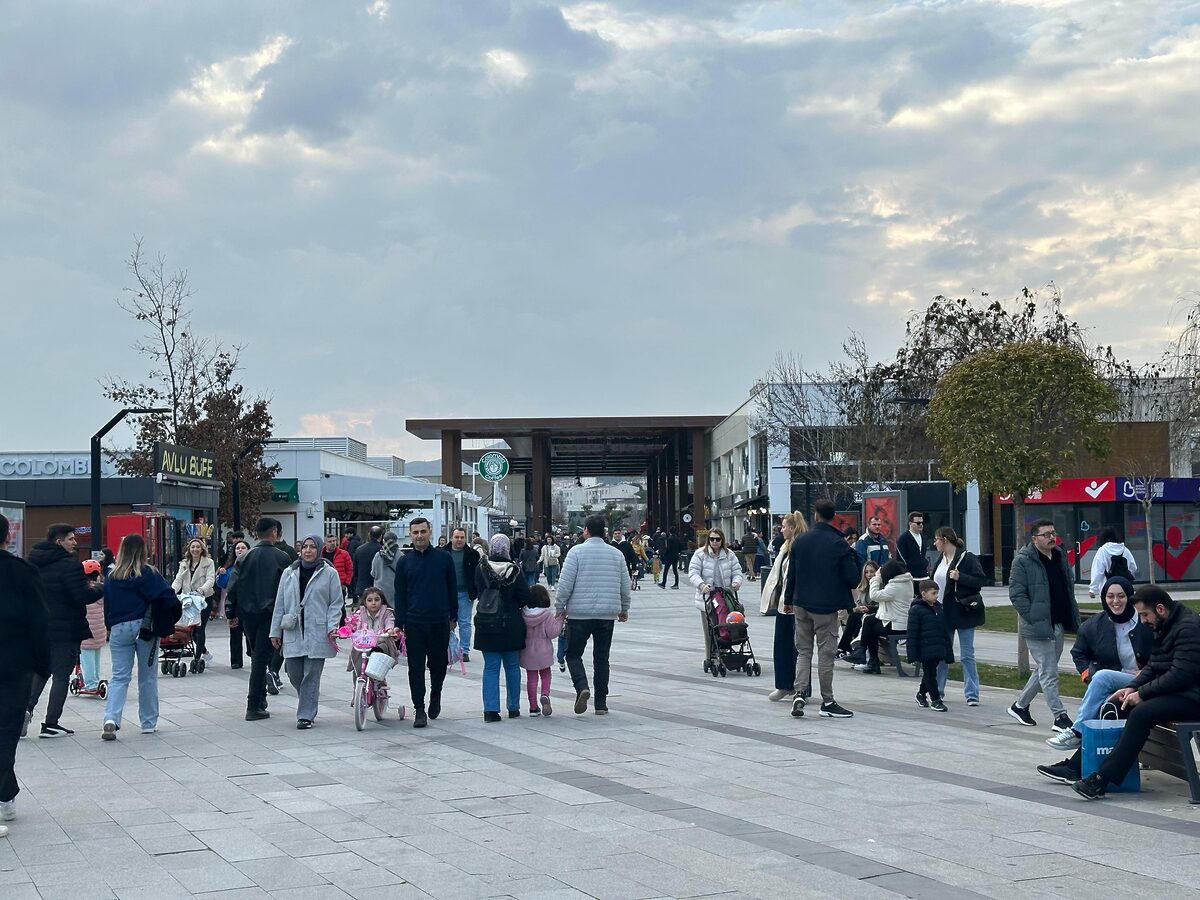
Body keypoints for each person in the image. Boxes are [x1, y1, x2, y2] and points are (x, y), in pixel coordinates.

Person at [1071, 586, 1200, 800]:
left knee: (1142, 711)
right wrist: (1131, 687)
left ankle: (1102, 779)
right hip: (1183, 693)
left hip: (1193, 697)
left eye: (1144, 614)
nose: (1142, 620)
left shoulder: (1188, 627)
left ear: (1160, 608)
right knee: (1122, 703)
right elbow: (1154, 665)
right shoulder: (1166, 624)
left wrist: (1142, 693)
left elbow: (1181, 675)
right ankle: (1082, 764)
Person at [1042, 575, 1153, 755]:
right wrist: (1088, 675)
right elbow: (1078, 653)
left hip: (1148, 679)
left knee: (1103, 677)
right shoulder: (1093, 626)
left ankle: (1077, 731)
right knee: (1102, 696)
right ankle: (1088, 762)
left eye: (1121, 596)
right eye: (1110, 596)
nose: (1115, 601)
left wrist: (1146, 672)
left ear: (1130, 597)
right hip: (1118, 682)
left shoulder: (1146, 620)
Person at [782, 498, 859, 719]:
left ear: (815, 515)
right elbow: (853, 579)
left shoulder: (801, 540)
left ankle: (799, 692)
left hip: (801, 604)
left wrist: (789, 599)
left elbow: (792, 575)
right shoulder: (838, 543)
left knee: (804, 651)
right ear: (833, 516)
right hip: (825, 607)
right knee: (826, 654)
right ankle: (828, 701)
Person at [26, 523, 104, 739]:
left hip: (38, 628)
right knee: (61, 676)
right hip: (65, 629)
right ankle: (51, 723)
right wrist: (100, 588)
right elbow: (81, 596)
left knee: (40, 671)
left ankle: (25, 709)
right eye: (70, 538)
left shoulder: (31, 562)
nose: (75, 542)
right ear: (59, 541)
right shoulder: (68, 565)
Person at [100, 534, 179, 740]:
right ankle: (148, 723)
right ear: (143, 551)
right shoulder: (148, 573)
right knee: (147, 677)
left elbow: (107, 604)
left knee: (119, 677)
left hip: (118, 628)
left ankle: (111, 719)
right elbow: (168, 596)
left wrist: (110, 626)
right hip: (144, 628)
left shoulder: (112, 576)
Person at [0, 513, 49, 836]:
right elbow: (38, 622)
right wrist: (42, 665)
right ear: (7, 538)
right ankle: (4, 794)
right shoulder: (21, 572)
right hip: (11, 666)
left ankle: (6, 793)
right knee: (5, 733)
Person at [554, 515, 631, 715]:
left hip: (579, 614)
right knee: (601, 658)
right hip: (607, 614)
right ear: (604, 532)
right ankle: (601, 704)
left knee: (572, 654)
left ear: (586, 531)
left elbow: (564, 584)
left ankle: (582, 687)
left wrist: (560, 607)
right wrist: (624, 608)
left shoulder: (575, 552)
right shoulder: (616, 554)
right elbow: (625, 585)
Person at [1008, 519, 1079, 732]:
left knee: (1044, 669)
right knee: (1049, 672)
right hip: (1036, 625)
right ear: (1034, 539)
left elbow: (1067, 586)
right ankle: (1060, 717)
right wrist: (1031, 615)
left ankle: (1020, 706)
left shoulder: (1059, 556)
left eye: (1053, 533)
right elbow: (1016, 594)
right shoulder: (1023, 561)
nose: (1051, 537)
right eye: (1046, 534)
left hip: (1057, 622)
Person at [270, 535, 343, 729]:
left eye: (312, 547)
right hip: (293, 629)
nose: (308, 550)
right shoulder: (289, 572)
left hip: (318, 630)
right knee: (293, 671)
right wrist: (275, 631)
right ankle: (309, 697)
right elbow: (280, 603)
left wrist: (332, 626)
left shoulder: (329, 573)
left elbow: (336, 603)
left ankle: (305, 715)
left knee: (311, 673)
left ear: (319, 550)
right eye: (305, 547)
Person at [393, 517, 457, 728]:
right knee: (415, 667)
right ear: (410, 535)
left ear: (429, 532)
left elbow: (452, 588)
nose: (419, 536)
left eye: (423, 531)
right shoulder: (404, 562)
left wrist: (453, 616)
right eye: (415, 532)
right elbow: (400, 595)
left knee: (438, 665)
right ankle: (419, 708)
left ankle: (436, 693)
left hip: (439, 621)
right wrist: (399, 623)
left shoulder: (444, 558)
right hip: (414, 623)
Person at [226, 518, 291, 721]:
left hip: (248, 614)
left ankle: (260, 700)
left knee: (257, 656)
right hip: (271, 614)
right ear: (274, 532)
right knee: (260, 660)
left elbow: (233, 586)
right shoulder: (282, 558)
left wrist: (231, 612)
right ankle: (253, 704)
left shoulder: (245, 558)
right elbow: (289, 590)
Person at [474, 534, 532, 721]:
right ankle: (513, 707)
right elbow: (525, 596)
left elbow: (476, 591)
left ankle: (490, 710)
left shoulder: (481, 567)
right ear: (507, 548)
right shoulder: (514, 570)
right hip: (510, 624)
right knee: (512, 666)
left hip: (487, 622)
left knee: (491, 668)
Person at [932, 527, 987, 706]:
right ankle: (937, 691)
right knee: (941, 654)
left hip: (962, 612)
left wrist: (960, 577)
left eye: (936, 539)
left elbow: (980, 580)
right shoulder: (941, 559)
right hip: (943, 612)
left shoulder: (967, 557)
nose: (934, 543)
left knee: (966, 655)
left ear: (945, 540)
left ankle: (972, 694)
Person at [761, 511, 805, 701]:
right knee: (782, 645)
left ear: (793, 528)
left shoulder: (801, 547)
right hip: (783, 605)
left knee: (798, 648)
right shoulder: (785, 547)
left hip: (796, 605)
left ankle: (800, 687)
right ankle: (784, 685)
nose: (782, 530)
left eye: (785, 526)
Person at [688, 528, 744, 663]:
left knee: (727, 623)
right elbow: (693, 573)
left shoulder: (729, 555)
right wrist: (702, 585)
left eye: (717, 539)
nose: (714, 542)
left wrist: (736, 582)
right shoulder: (700, 554)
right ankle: (710, 656)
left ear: (722, 540)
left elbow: (737, 571)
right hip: (707, 598)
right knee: (710, 629)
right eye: (712, 539)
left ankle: (725, 652)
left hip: (725, 596)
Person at [857, 560, 912, 675]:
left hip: (897, 625)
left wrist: (876, 579)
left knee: (871, 629)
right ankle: (866, 655)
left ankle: (870, 659)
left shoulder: (895, 586)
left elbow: (874, 595)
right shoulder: (905, 582)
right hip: (897, 620)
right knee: (869, 620)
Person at [908, 579, 953, 712]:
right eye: (933, 593)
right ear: (924, 594)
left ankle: (921, 694)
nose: (936, 596)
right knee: (930, 674)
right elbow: (912, 632)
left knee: (930, 672)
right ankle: (935, 699)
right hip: (925, 648)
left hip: (937, 646)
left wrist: (947, 648)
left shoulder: (938, 608)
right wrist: (913, 652)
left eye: (937, 593)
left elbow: (943, 630)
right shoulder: (916, 610)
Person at [172, 538, 216, 667]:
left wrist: (202, 590)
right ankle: (206, 653)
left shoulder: (208, 563)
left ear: (202, 549)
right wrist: (171, 591)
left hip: (204, 599)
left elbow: (210, 579)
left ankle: (197, 658)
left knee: (199, 629)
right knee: (190, 629)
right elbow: (178, 580)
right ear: (189, 549)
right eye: (192, 547)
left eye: (197, 547)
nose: (195, 549)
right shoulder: (184, 563)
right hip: (189, 600)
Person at [522, 583, 563, 717]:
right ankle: (545, 694)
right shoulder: (546, 614)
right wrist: (560, 619)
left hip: (528, 651)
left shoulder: (523, 613)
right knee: (545, 674)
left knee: (531, 678)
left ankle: (533, 707)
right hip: (544, 650)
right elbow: (553, 632)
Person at [445, 527, 481, 662]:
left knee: (465, 622)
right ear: (451, 538)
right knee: (447, 621)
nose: (459, 540)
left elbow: (477, 574)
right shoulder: (444, 553)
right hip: (447, 593)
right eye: (456, 537)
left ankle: (464, 650)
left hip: (465, 593)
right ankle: (448, 648)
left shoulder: (472, 554)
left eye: (461, 537)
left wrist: (478, 591)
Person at [836, 560, 879, 660]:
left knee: (855, 619)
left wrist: (868, 608)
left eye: (872, 572)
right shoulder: (863, 586)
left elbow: (878, 604)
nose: (869, 575)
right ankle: (853, 651)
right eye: (866, 572)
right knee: (854, 617)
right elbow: (859, 603)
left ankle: (845, 648)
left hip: (875, 615)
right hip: (865, 614)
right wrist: (858, 608)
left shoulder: (879, 585)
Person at [1087, 526, 1137, 599]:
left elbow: (1097, 571)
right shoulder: (1125, 549)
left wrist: (1092, 589)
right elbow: (1133, 567)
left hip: (1107, 587)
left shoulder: (1102, 551)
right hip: (1124, 586)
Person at [79, 560, 106, 692]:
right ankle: (96, 678)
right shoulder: (101, 589)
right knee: (95, 656)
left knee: (86, 657)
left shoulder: (82, 590)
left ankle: (90, 683)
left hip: (86, 631)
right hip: (100, 630)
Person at [224, 539, 252, 668]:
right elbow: (228, 587)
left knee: (250, 634)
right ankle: (236, 661)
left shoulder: (253, 564)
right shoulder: (230, 567)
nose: (239, 550)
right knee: (235, 633)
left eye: (243, 548)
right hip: (236, 604)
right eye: (237, 548)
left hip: (251, 605)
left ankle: (252, 655)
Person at [895, 511, 929, 595]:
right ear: (910, 523)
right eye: (918, 523)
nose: (921, 525)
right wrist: (906, 575)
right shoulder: (903, 539)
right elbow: (901, 559)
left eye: (922, 522)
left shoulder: (923, 537)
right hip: (911, 578)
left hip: (924, 576)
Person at [352, 525, 384, 599]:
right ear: (381, 536)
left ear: (369, 535)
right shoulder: (382, 551)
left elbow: (355, 570)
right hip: (377, 588)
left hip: (362, 587)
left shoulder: (359, 549)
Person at [371, 531, 401, 605]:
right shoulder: (401, 556)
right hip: (394, 589)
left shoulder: (378, 555)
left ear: (383, 540)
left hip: (379, 590)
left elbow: (373, 573)